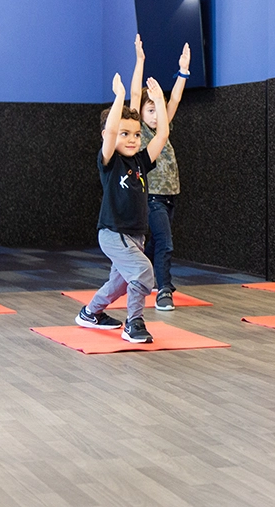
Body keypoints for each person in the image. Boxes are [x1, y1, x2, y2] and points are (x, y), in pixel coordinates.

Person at [76, 71, 169, 344]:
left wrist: (159, 103)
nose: (131, 139)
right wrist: (119, 98)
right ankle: (134, 322)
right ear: (110, 135)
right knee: (143, 273)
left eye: (137, 134)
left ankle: (90, 312)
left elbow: (162, 133)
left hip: (136, 236)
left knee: (119, 283)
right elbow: (112, 131)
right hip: (114, 233)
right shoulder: (109, 161)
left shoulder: (141, 161)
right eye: (125, 134)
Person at [128, 36, 191, 311]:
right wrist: (140, 61)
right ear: (141, 113)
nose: (155, 114)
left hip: (170, 196)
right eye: (150, 109)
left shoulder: (164, 127)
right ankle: (164, 289)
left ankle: (141, 276)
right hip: (151, 196)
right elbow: (133, 95)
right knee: (165, 242)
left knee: (154, 246)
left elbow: (175, 98)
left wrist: (183, 71)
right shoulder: (141, 134)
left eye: (158, 110)